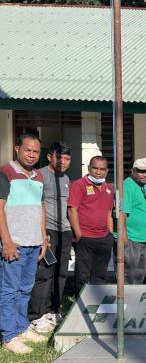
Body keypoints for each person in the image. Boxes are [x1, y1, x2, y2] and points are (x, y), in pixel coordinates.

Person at [0, 134, 48, 354]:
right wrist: (7, 242)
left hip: (34, 243)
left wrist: (43, 238)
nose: (31, 155)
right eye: (27, 150)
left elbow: (40, 208)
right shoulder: (5, 172)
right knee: (9, 290)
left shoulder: (39, 176)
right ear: (17, 149)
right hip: (15, 243)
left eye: (36, 151)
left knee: (25, 289)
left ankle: (21, 328)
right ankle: (9, 336)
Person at [28, 142, 73, 333]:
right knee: (44, 274)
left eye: (67, 159)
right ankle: (36, 315)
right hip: (47, 230)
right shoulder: (39, 176)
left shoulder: (66, 178)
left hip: (65, 232)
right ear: (49, 157)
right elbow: (35, 205)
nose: (63, 162)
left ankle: (52, 310)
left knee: (61, 273)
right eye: (59, 157)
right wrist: (41, 234)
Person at [68, 155, 114, 297]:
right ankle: (81, 304)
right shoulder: (79, 185)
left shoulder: (109, 188)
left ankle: (96, 302)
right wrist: (78, 234)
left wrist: (110, 234)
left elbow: (109, 213)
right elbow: (72, 210)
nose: (98, 172)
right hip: (85, 237)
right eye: (95, 168)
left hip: (104, 237)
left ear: (107, 171)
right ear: (89, 168)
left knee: (100, 274)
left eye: (102, 169)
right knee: (82, 275)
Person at [122, 158, 146, 284]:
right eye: (141, 171)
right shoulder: (127, 185)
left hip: (143, 238)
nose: (145, 175)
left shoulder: (143, 186)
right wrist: (124, 235)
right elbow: (122, 212)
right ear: (133, 171)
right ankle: (126, 297)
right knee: (128, 276)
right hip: (131, 237)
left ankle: (134, 297)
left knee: (138, 276)